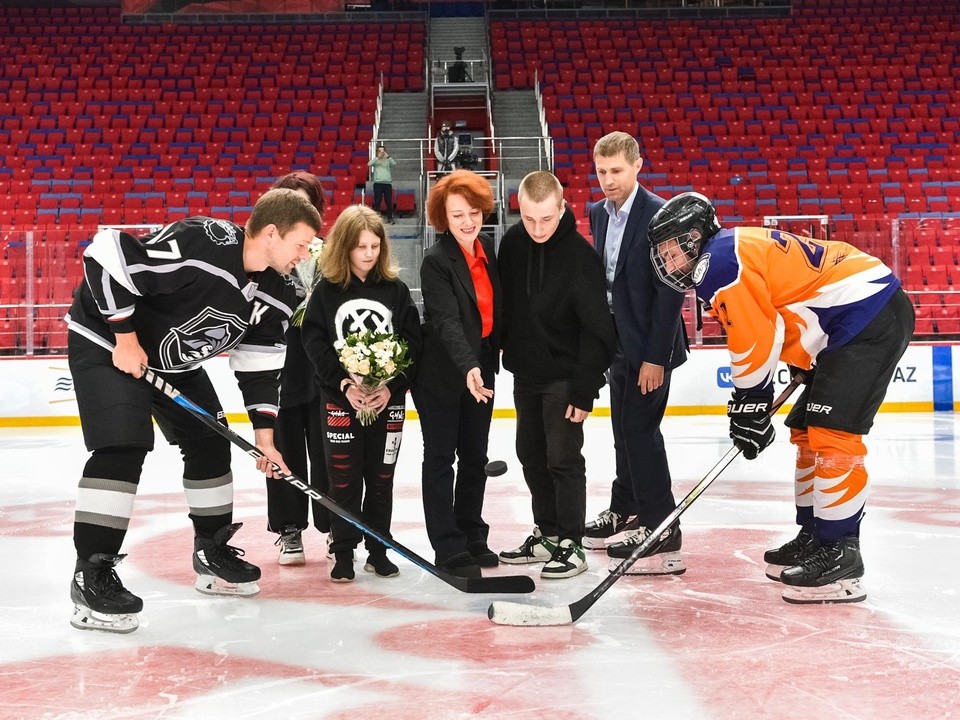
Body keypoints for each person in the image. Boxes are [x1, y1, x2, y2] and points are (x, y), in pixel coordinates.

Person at [66, 189, 323, 633]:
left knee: (210, 442)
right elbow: (105, 254)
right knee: (123, 446)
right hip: (107, 341)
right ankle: (91, 573)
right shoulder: (203, 243)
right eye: (301, 244)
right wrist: (125, 338)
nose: (305, 255)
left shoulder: (279, 290)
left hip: (172, 362)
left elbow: (260, 366)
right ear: (270, 232)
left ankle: (212, 550)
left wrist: (265, 440)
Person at [648, 191, 915, 604]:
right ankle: (815, 536)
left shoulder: (717, 262)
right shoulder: (728, 250)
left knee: (833, 434)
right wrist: (791, 367)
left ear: (693, 237)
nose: (667, 261)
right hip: (846, 320)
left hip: (867, 314)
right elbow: (781, 309)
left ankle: (841, 551)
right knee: (806, 433)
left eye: (670, 249)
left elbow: (755, 335)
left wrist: (750, 400)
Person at [496, 171, 615, 579]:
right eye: (529, 219)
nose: (538, 228)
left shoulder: (581, 258)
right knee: (530, 454)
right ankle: (546, 533)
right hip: (525, 374)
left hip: (566, 376)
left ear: (562, 208)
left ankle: (571, 542)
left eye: (546, 219)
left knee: (562, 459)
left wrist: (585, 390)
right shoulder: (512, 244)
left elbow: (599, 331)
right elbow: (506, 308)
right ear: (520, 209)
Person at [301, 205, 421, 583]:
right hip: (340, 404)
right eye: (360, 247)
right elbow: (315, 343)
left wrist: (390, 387)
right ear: (344, 248)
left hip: (389, 404)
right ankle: (343, 553)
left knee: (381, 478)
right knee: (344, 481)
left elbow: (413, 345)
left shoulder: (396, 291)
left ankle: (378, 550)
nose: (369, 253)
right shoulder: (326, 292)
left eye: (374, 245)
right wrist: (345, 384)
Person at [587, 131, 688, 576]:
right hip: (617, 344)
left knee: (641, 432)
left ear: (637, 166)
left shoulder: (661, 215)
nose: (608, 180)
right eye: (602, 172)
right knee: (622, 432)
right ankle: (625, 509)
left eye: (616, 171)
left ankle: (661, 525)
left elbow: (671, 292)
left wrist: (656, 357)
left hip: (650, 346)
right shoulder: (597, 214)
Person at [412, 170, 501, 579]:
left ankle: (472, 534)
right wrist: (469, 367)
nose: (468, 221)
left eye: (473, 212)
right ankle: (447, 546)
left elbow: (493, 318)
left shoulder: (486, 251)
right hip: (442, 375)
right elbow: (447, 322)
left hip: (480, 368)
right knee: (441, 457)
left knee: (476, 456)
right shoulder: (436, 261)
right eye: (457, 215)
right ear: (442, 219)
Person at [267, 172, 330, 566]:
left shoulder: (325, 251)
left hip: (320, 361)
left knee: (327, 449)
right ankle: (289, 529)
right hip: (277, 363)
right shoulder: (266, 251)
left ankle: (333, 525)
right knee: (283, 446)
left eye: (304, 200)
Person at [368, 145, 396, 224]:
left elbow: (394, 164)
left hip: (387, 183)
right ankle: (376, 219)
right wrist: (377, 157)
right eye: (379, 151)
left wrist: (388, 157)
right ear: (377, 152)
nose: (381, 152)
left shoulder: (388, 160)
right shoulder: (376, 160)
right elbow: (369, 164)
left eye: (382, 151)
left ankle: (390, 218)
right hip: (378, 183)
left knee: (388, 201)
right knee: (377, 201)